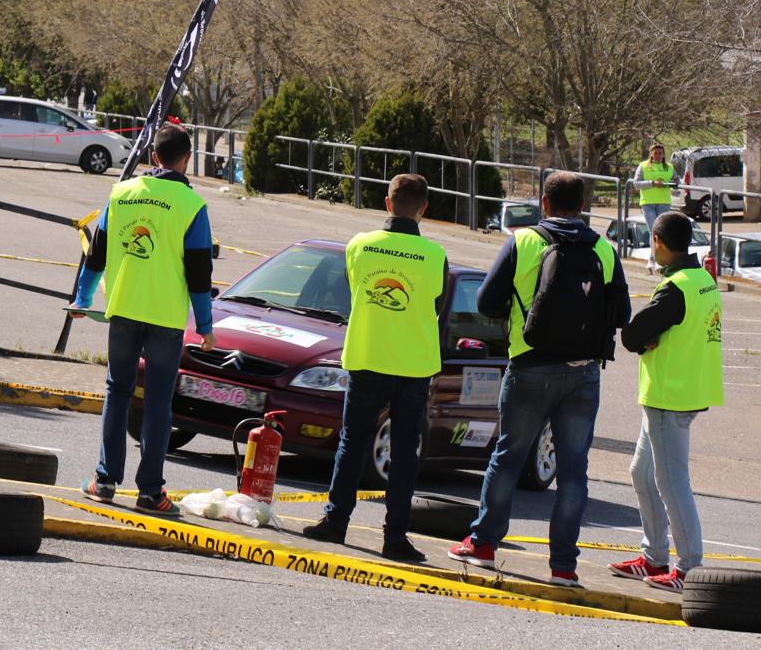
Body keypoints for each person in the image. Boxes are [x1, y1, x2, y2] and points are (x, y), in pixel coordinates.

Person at [448, 171, 630, 586]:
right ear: (583, 206)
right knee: (573, 471)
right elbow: (621, 315)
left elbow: (487, 302)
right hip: (584, 373)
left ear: (543, 204)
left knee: (509, 457)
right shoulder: (603, 248)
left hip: (530, 365)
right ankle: (563, 565)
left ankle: (484, 544)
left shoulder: (525, 241)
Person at [302, 174, 448, 564]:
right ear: (424, 209)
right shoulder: (435, 255)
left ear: (387, 203)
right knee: (403, 452)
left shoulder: (359, 246)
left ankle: (335, 520)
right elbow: (436, 307)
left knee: (353, 441)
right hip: (413, 366)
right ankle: (395, 536)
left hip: (368, 357)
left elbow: (355, 291)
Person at [71, 124, 215, 518]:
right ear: (187, 159)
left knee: (117, 391)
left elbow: (95, 255)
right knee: (158, 401)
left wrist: (81, 298)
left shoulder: (120, 194)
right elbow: (200, 274)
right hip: (165, 318)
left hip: (123, 310)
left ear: (154, 157)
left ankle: (104, 481)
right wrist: (205, 326)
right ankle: (151, 491)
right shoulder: (192, 206)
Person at [609, 211, 724, 593]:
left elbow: (632, 334)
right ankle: (653, 556)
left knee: (672, 483)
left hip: (669, 396)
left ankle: (690, 568)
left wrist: (642, 339)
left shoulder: (675, 287)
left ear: (658, 241)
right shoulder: (703, 279)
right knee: (642, 474)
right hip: (684, 392)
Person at [632, 143, 674, 273]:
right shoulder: (643, 166)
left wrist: (671, 184)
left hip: (664, 202)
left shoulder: (669, 167)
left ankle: (656, 259)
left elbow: (677, 182)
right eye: (655, 153)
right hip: (648, 203)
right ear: (651, 154)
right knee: (653, 231)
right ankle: (653, 259)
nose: (657, 155)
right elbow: (636, 184)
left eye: (660, 153)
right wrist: (652, 183)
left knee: (661, 232)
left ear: (663, 155)